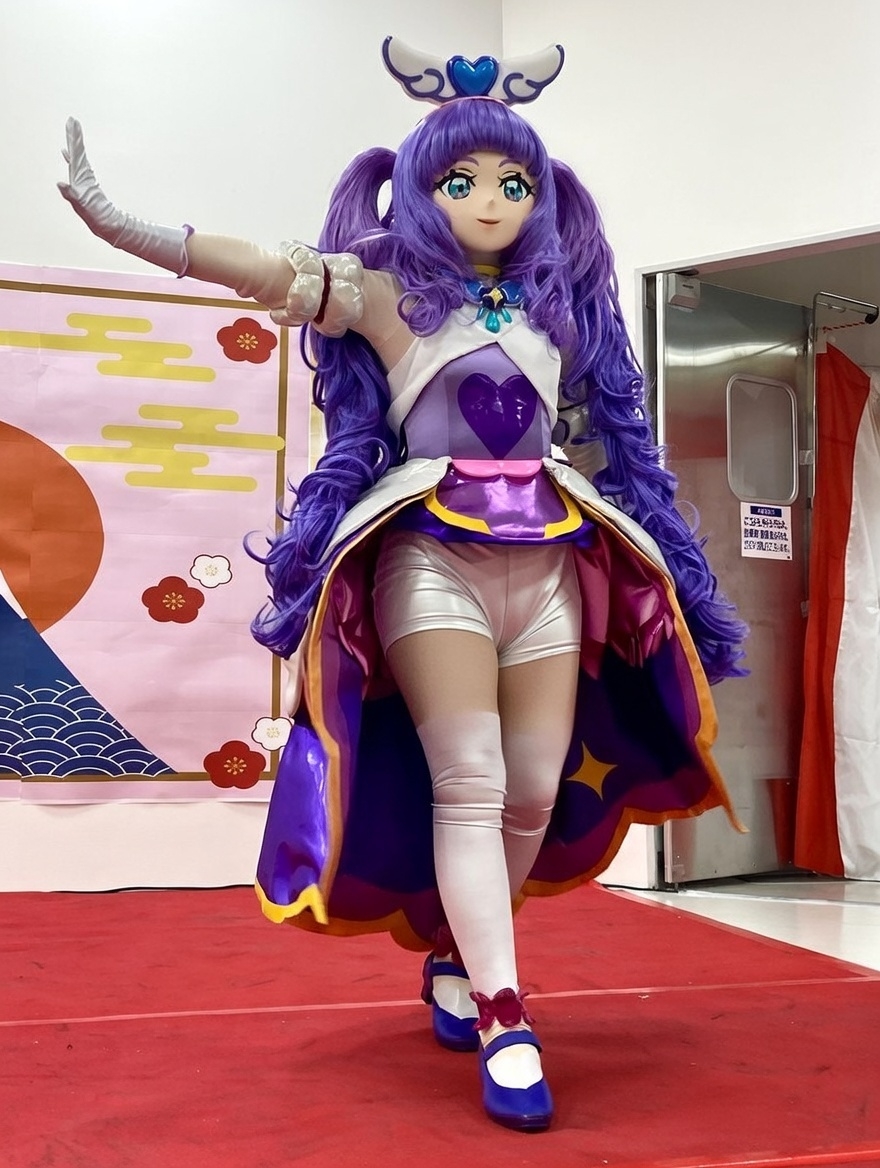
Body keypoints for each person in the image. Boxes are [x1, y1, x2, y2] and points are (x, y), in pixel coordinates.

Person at [59, 41, 745, 1132]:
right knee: (471, 781)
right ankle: (507, 1014)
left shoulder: (559, 300)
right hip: (430, 554)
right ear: (421, 188)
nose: (491, 200)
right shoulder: (387, 290)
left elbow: (607, 424)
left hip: (551, 558)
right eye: (462, 180)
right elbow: (267, 269)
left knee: (531, 790)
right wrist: (123, 225)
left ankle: (457, 951)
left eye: (514, 181)